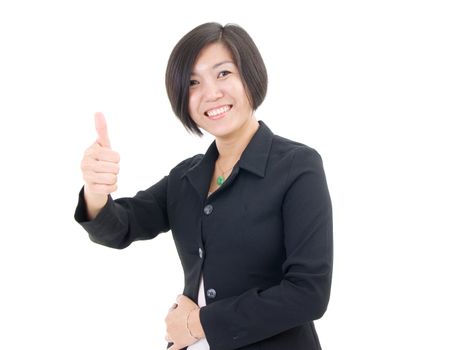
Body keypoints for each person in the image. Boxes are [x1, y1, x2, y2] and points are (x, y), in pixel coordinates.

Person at [74, 22, 333, 350]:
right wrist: (95, 192)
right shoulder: (186, 178)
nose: (211, 93)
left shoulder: (298, 166)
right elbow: (119, 228)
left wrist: (197, 324)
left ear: (250, 75)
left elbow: (308, 294)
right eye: (193, 82)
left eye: (223, 73)